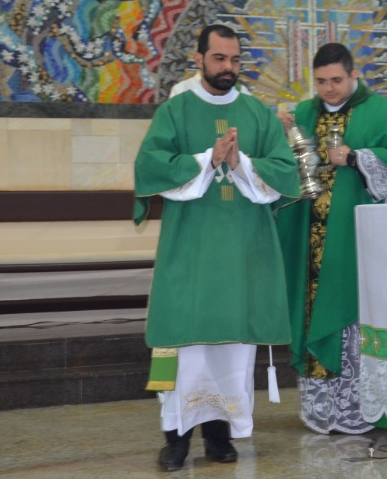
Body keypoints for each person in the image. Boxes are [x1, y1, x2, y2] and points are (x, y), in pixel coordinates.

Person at [133, 24, 300, 472]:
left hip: (243, 251)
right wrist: (207, 159)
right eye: (220, 59)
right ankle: (176, 438)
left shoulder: (258, 114)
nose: (228, 68)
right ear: (199, 58)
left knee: (232, 349)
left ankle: (220, 435)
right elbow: (150, 164)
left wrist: (240, 161)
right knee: (184, 347)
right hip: (190, 249)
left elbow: (285, 172)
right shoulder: (176, 111)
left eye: (235, 60)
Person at [276, 43, 387, 434]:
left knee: (353, 320)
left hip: (357, 244)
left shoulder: (380, 113)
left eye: (336, 80)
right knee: (313, 312)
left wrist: (356, 158)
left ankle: (360, 408)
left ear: (353, 75)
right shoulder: (304, 114)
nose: (328, 89)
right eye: (321, 81)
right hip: (312, 240)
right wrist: (283, 137)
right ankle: (323, 410)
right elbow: (283, 165)